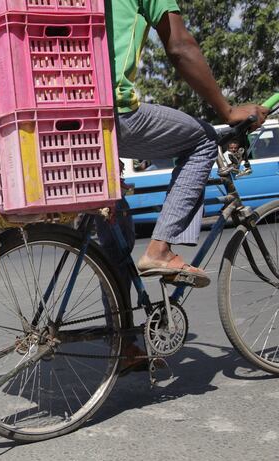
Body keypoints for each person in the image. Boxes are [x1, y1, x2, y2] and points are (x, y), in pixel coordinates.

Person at [104, 1, 268, 288]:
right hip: (114, 112)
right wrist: (227, 111)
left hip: (62, 117)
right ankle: (160, 250)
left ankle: (119, 329)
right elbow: (180, 46)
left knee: (114, 227)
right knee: (203, 139)